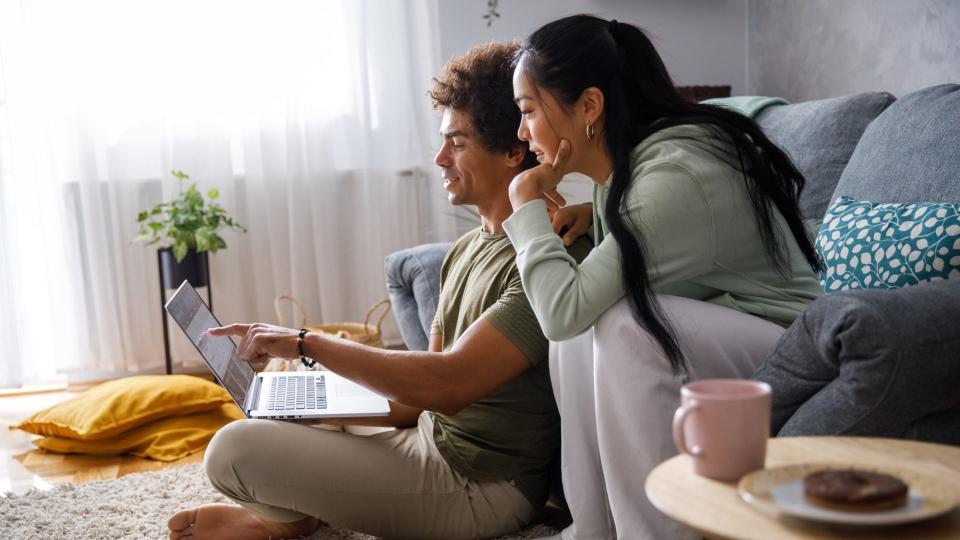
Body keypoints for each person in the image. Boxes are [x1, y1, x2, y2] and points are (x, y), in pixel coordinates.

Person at [165, 41, 590, 540]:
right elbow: (418, 401)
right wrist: (310, 402)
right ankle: (298, 508)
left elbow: (449, 385)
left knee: (231, 451)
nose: (439, 158)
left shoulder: (544, 255)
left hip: (481, 487)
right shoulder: (466, 249)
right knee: (311, 408)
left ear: (513, 152)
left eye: (456, 143)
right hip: (427, 438)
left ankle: (284, 523)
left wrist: (307, 343)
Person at [500, 15, 824, 540]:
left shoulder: (675, 177)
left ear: (588, 107)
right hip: (730, 329)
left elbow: (560, 311)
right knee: (588, 330)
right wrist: (595, 210)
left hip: (795, 349)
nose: (521, 132)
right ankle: (594, 530)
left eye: (527, 111)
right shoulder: (630, 170)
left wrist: (525, 206)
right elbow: (575, 317)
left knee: (624, 326)